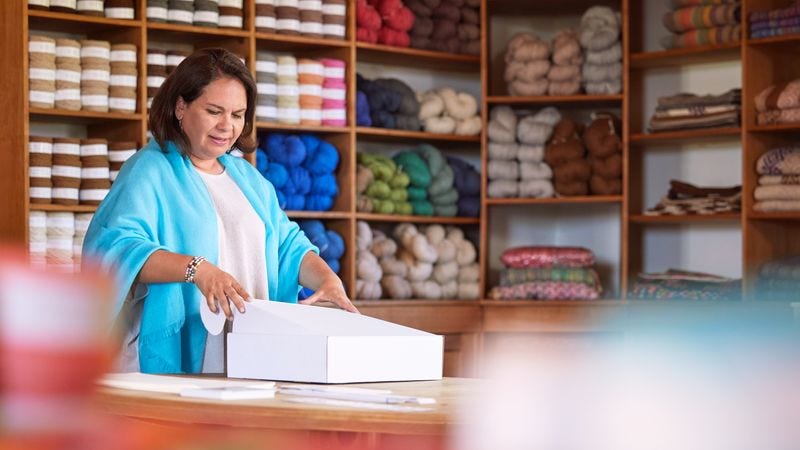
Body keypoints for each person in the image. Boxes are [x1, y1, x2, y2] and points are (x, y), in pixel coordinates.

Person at [83, 48, 356, 375]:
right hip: (172, 355)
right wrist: (198, 269)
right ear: (180, 107)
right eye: (214, 111)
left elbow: (288, 247)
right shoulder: (150, 170)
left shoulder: (248, 179)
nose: (227, 126)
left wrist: (327, 280)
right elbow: (116, 249)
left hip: (243, 352)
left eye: (238, 114)